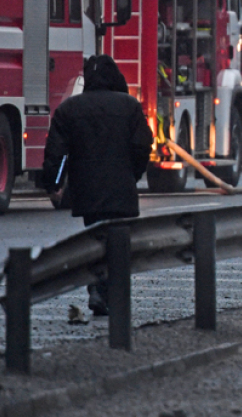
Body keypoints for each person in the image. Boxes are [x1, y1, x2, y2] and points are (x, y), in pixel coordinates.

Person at [41, 55, 154, 316]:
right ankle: (108, 294)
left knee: (95, 241)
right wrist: (133, 175)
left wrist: (54, 184)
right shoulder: (129, 106)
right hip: (122, 190)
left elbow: (57, 153)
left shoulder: (69, 109)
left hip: (87, 191)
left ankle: (96, 288)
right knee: (119, 246)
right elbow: (142, 146)